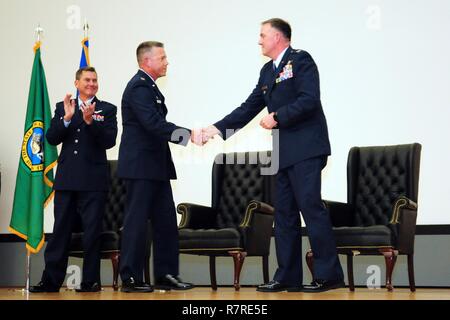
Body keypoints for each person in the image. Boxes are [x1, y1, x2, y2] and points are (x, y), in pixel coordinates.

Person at [202, 18, 344, 292]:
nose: (259, 40)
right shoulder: (267, 71)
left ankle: (329, 275)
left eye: (263, 35)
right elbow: (248, 108)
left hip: (306, 148)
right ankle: (287, 276)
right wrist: (216, 130)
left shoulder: (301, 61)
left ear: (278, 37)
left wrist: (278, 115)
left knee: (311, 209)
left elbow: (309, 99)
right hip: (283, 152)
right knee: (285, 215)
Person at [117, 41, 200, 293]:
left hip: (156, 167)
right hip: (141, 168)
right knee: (136, 223)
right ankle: (130, 277)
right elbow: (153, 123)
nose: (167, 62)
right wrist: (188, 134)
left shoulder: (149, 87)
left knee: (165, 223)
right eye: (162, 58)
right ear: (146, 62)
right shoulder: (139, 87)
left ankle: (166, 274)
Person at [30, 66, 118, 293]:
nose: (92, 84)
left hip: (93, 181)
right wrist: (67, 119)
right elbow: (51, 138)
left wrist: (91, 122)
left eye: (95, 80)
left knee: (92, 234)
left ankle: (90, 281)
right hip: (67, 180)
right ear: (76, 83)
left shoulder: (107, 109)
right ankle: (50, 281)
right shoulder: (63, 107)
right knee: (60, 232)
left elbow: (109, 140)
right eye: (87, 80)